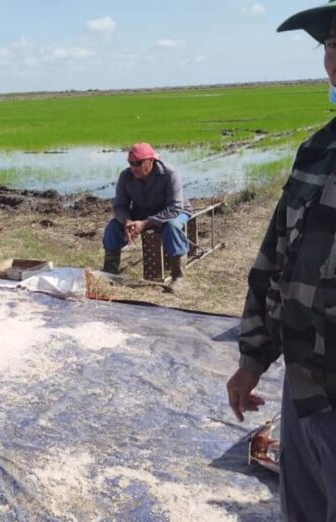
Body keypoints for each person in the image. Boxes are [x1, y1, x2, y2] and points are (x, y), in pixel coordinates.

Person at [226, 4, 336, 519]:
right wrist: (253, 359)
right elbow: (275, 263)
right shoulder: (318, 151)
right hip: (306, 388)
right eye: (333, 47)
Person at [101, 143, 192, 291]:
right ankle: (110, 271)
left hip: (174, 211)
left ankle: (179, 276)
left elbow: (175, 207)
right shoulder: (126, 176)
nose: (133, 167)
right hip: (143, 211)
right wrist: (127, 221)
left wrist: (146, 223)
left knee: (172, 226)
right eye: (131, 163)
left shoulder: (169, 173)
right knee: (113, 227)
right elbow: (120, 206)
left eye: (138, 163)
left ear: (150, 161)